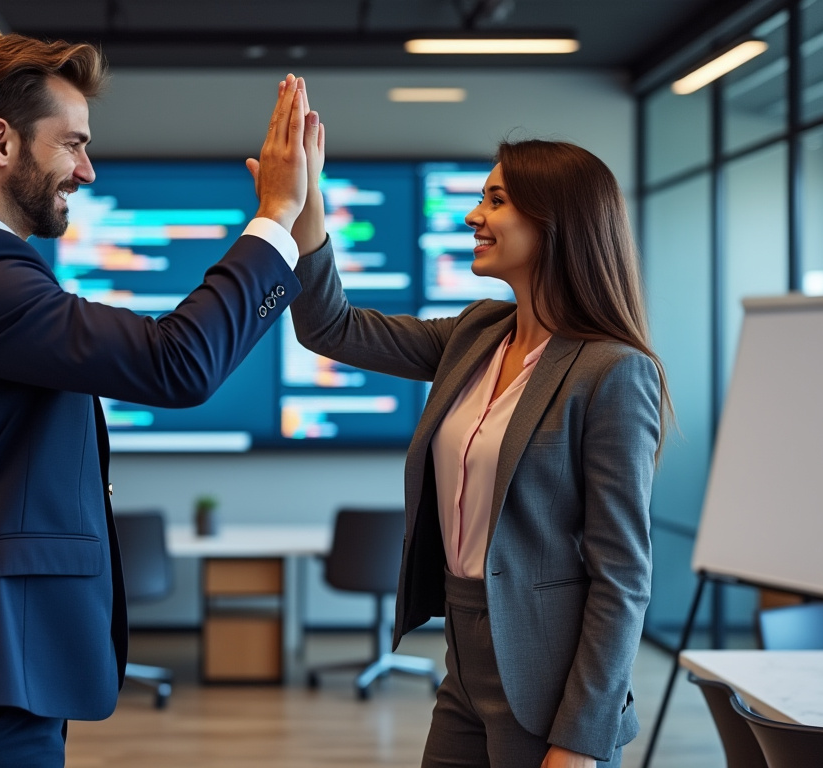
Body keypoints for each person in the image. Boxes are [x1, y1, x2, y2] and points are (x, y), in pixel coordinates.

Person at [0, 33, 317, 767]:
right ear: (1, 141)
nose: (87, 168)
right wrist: (273, 219)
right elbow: (178, 364)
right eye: (71, 145)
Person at [285, 131, 667, 767]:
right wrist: (305, 210)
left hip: (551, 683)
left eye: (495, 199)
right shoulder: (476, 333)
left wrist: (579, 738)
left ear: (555, 223)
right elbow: (330, 326)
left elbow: (622, 575)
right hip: (462, 663)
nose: (473, 215)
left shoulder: (613, 371)